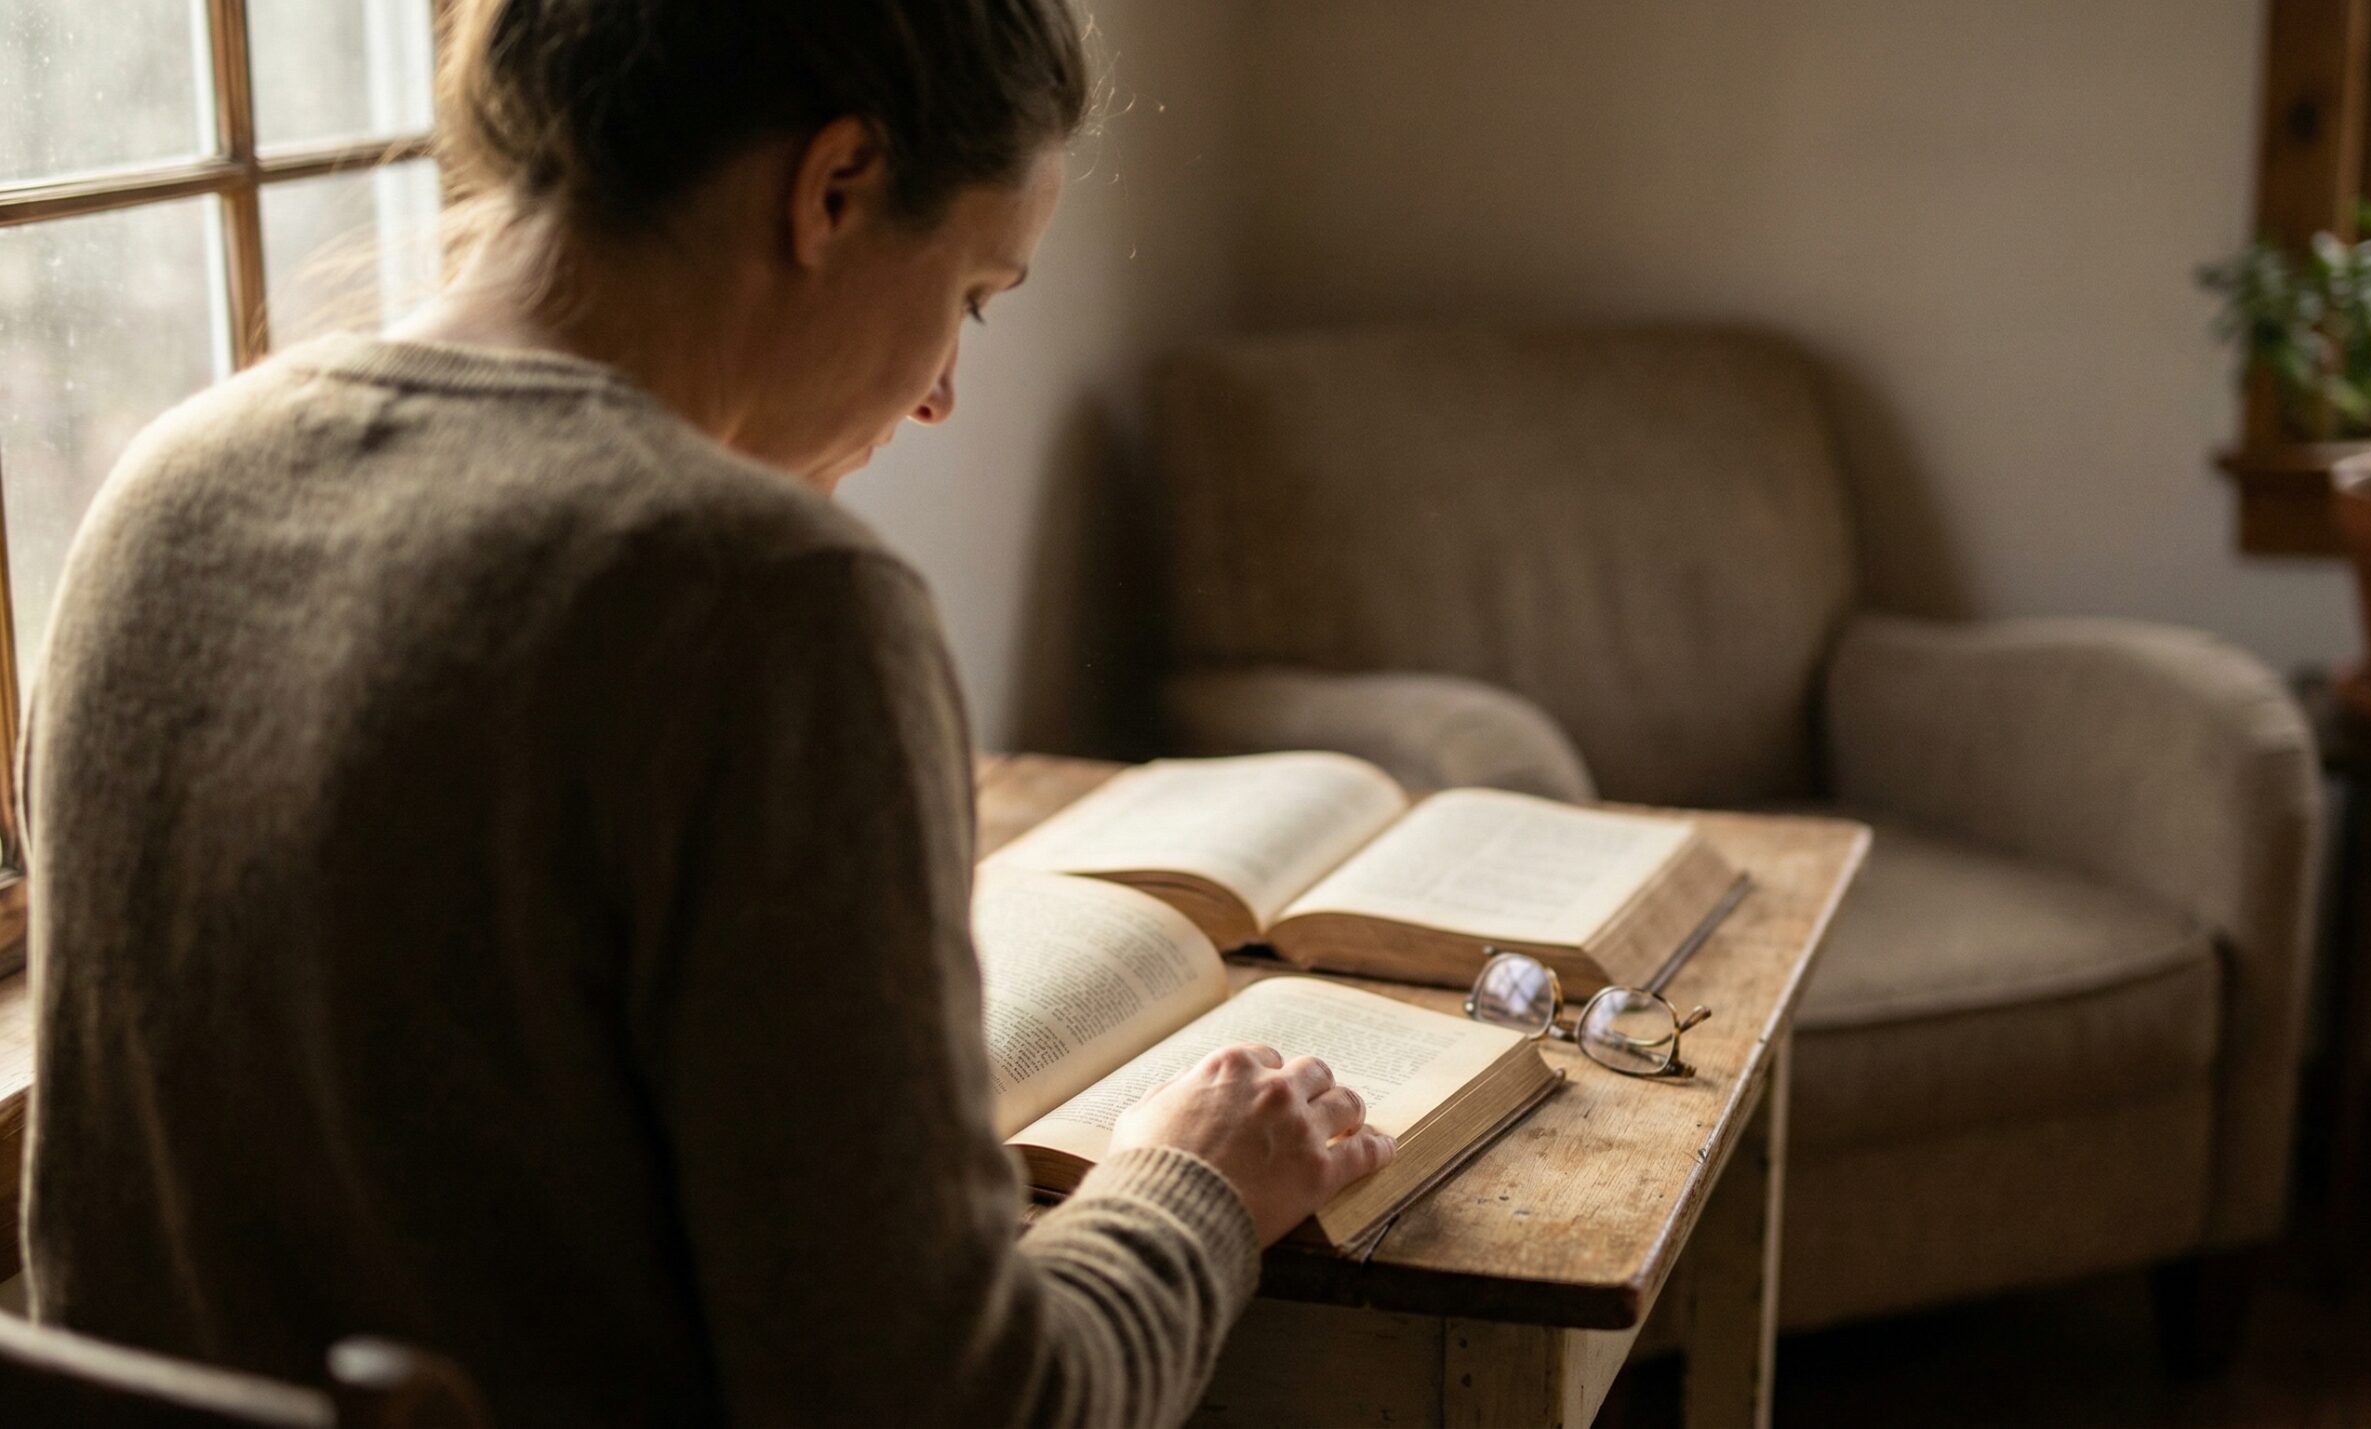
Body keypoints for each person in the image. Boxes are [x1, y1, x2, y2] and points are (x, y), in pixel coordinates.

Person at [18, 1, 1392, 1423]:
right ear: (836, 187)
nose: (942, 395)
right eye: (973, 294)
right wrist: (1195, 1187)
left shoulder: (158, 499)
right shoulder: (767, 604)